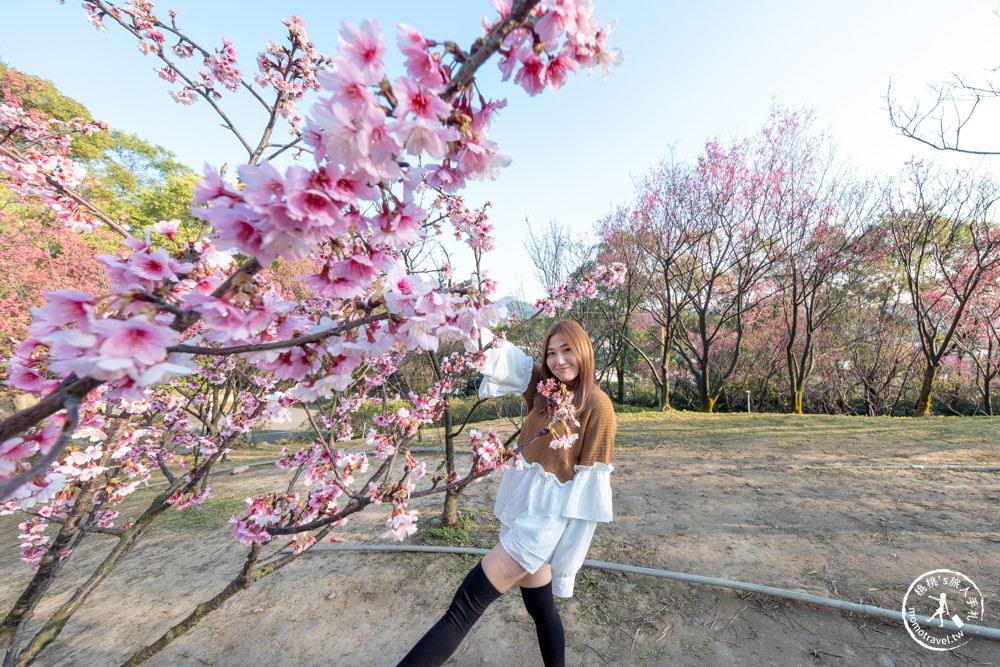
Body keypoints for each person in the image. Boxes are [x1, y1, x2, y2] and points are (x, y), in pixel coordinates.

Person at [398, 320, 617, 667]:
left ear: (584, 350)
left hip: (542, 526)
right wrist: (457, 319)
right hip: (523, 512)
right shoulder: (545, 389)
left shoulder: (598, 406)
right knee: (541, 609)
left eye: (567, 350)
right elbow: (503, 355)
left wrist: (566, 563)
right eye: (551, 353)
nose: (560, 361)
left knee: (464, 607)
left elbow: (589, 492)